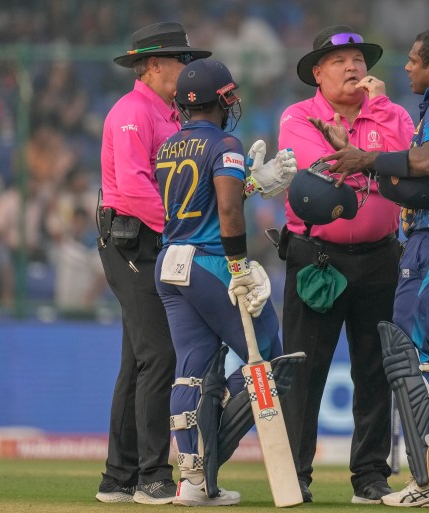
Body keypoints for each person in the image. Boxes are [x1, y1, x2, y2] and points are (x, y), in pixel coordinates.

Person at [322, 30, 429, 508]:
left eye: (414, 61)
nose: (407, 68)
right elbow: (421, 184)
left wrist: (366, 157)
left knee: (407, 355)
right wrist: (369, 168)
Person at [277, 25, 414, 505]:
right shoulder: (298, 117)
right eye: (339, 61)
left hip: (380, 256)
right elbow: (327, 177)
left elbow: (414, 165)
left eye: (359, 59)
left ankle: (371, 476)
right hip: (317, 258)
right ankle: (295, 473)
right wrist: (379, 166)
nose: (353, 67)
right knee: (304, 369)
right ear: (317, 72)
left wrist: (376, 127)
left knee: (376, 369)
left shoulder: (391, 113)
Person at [153, 58, 299, 506]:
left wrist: (251, 181)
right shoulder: (226, 143)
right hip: (211, 263)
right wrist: (238, 266)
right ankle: (212, 440)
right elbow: (229, 212)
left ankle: (192, 481)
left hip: (171, 264)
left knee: (191, 370)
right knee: (272, 355)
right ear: (223, 99)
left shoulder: (168, 147)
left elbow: (205, 201)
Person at [95, 22, 210, 505]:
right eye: (181, 61)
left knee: (137, 361)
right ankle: (152, 476)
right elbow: (138, 186)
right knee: (158, 356)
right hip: (133, 240)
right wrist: (182, 230)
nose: (187, 70)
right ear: (155, 65)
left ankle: (117, 478)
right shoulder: (132, 112)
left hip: (152, 239)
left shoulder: (165, 113)